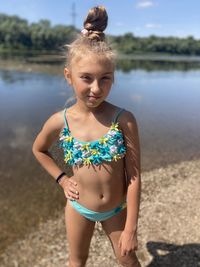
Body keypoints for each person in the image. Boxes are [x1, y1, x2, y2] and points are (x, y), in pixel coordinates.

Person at [32, 6, 141, 267]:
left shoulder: (123, 120)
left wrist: (131, 228)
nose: (96, 88)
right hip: (78, 208)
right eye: (86, 78)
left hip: (116, 209)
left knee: (128, 260)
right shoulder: (61, 121)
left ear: (113, 78)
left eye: (105, 79)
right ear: (69, 77)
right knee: (76, 262)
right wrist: (61, 179)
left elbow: (134, 176)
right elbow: (38, 149)